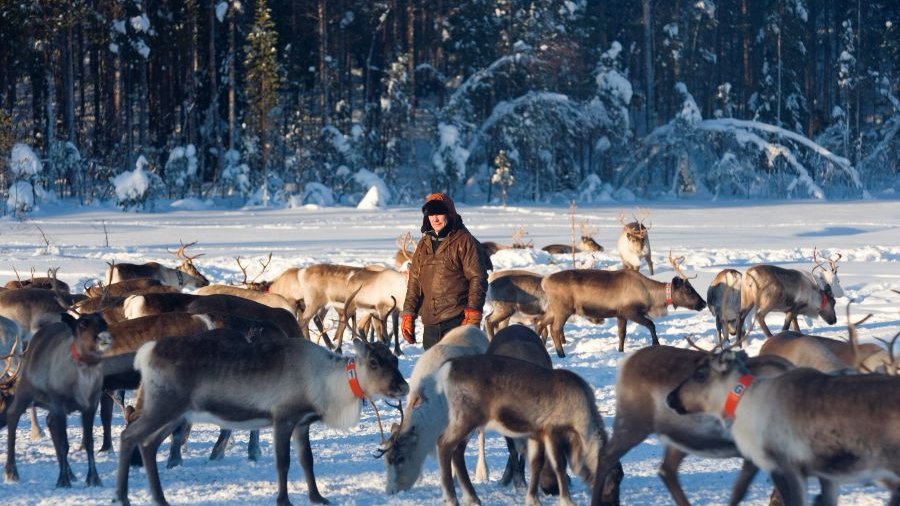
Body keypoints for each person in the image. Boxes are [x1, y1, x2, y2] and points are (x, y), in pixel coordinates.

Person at [401, 193, 490, 350]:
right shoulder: (424, 244)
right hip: (430, 324)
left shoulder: (464, 241)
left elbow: (478, 278)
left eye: (439, 213)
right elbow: (414, 281)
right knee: (434, 370)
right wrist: (408, 314)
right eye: (431, 214)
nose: (435, 219)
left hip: (457, 320)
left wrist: (473, 313)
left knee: (457, 372)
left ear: (449, 213)